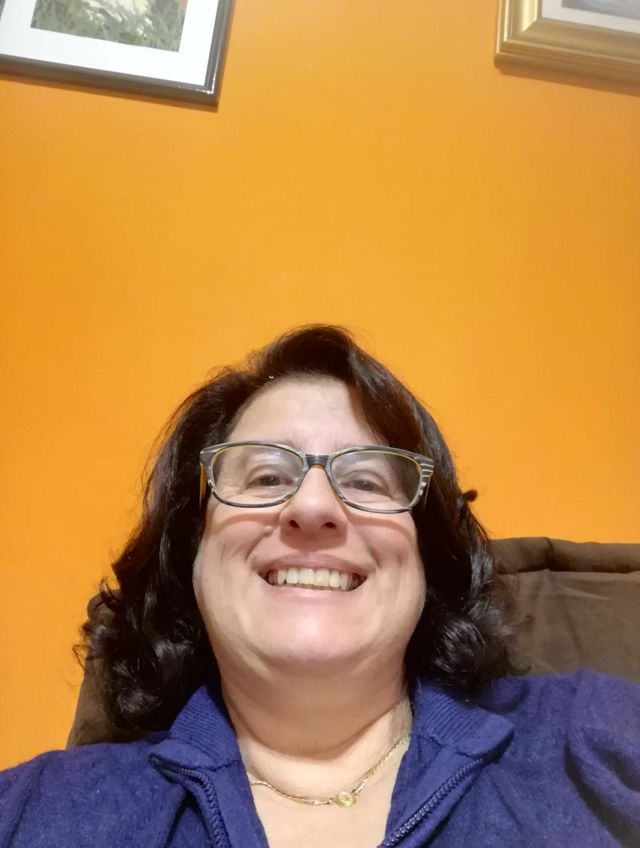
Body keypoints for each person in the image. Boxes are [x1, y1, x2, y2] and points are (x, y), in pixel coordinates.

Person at [1, 324, 639, 848]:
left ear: (427, 557)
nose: (312, 506)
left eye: (366, 481)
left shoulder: (592, 738)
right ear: (192, 552)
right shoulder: (33, 811)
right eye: (263, 477)